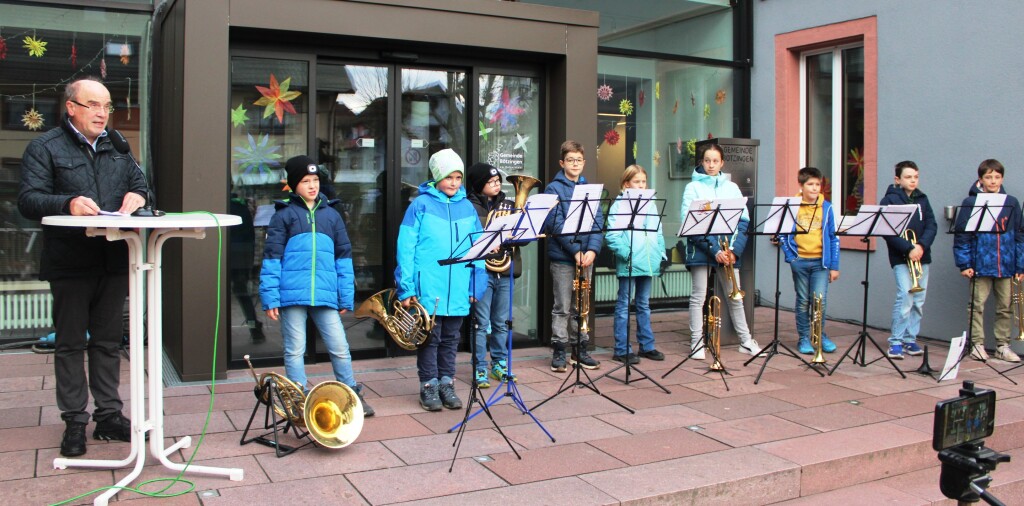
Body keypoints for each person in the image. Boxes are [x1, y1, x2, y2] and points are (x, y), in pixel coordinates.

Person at [18, 77, 149, 457]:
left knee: (109, 344)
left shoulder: (119, 148)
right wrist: (68, 204)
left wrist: (138, 196)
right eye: (93, 105)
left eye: (106, 106)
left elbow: (145, 188)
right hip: (70, 263)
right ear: (71, 107)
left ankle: (109, 417)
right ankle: (75, 421)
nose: (102, 113)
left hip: (113, 260)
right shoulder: (44, 146)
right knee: (71, 344)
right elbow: (28, 200)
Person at [260, 155, 374, 417]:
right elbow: (272, 258)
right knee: (295, 349)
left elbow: (343, 258)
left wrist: (346, 296)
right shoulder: (284, 216)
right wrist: (271, 297)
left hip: (324, 293)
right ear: (293, 185)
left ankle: (351, 392)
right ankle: (297, 397)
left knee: (339, 347)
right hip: (292, 296)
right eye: (305, 181)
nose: (312, 186)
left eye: (315, 180)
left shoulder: (332, 216)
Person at [396, 149, 485, 411]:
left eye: (458, 177)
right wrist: (407, 287)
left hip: (458, 285)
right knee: (429, 338)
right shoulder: (420, 205)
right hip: (429, 286)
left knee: (451, 338)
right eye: (449, 177)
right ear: (436, 178)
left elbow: (477, 247)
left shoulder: (467, 207)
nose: (454, 182)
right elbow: (406, 248)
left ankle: (447, 382)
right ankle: (428, 385)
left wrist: (475, 284)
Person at [681, 144, 762, 359]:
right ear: (702, 162)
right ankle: (697, 343)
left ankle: (745, 340)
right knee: (698, 296)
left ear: (722, 163)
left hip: (728, 251)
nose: (711, 165)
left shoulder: (732, 188)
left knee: (735, 297)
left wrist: (734, 251)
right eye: (707, 160)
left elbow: (743, 221)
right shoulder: (692, 188)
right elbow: (690, 223)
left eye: (715, 161)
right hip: (701, 249)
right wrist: (714, 249)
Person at [953, 159, 1024, 362]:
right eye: (988, 177)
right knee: (977, 305)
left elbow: (1020, 235)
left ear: (1002, 178)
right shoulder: (971, 203)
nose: (993, 181)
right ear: (981, 179)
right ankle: (976, 344)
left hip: (1007, 264)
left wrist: (1020, 264)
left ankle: (1002, 345)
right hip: (980, 263)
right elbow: (962, 235)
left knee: (1006, 306)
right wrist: (964, 263)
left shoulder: (1011, 202)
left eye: (997, 177)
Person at [544, 140, 603, 372]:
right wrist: (575, 251)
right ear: (562, 162)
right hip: (563, 258)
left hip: (586, 257)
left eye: (579, 160)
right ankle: (560, 351)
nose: (575, 163)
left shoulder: (590, 189)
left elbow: (598, 221)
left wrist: (592, 250)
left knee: (582, 306)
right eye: (570, 160)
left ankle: (580, 350)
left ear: (584, 162)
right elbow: (555, 224)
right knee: (562, 306)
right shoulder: (553, 188)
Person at [465, 162, 520, 388]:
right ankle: (479, 367)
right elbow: (468, 237)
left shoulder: (509, 204)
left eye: (498, 181)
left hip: (505, 271)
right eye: (491, 182)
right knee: (480, 322)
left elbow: (523, 239)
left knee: (501, 322)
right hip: (482, 271)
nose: (497, 185)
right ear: (479, 185)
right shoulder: (469, 206)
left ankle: (499, 363)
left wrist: (514, 232)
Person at [605, 165, 666, 364]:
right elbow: (612, 235)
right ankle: (621, 349)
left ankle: (646, 346)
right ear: (626, 184)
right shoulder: (619, 205)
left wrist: (661, 255)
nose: (641, 186)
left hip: (648, 261)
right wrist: (627, 254)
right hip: (630, 261)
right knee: (624, 305)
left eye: (643, 182)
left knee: (643, 304)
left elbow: (658, 232)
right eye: (636, 182)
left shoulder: (651, 204)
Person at [780, 166, 840, 355]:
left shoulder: (827, 207)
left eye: (818, 185)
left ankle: (819, 334)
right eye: (810, 184)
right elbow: (783, 234)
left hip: (820, 263)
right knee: (803, 301)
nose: (815, 188)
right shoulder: (793, 206)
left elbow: (833, 237)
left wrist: (834, 266)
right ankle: (804, 337)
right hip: (801, 261)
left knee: (819, 301)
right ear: (801, 185)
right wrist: (792, 258)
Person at [880, 161, 937, 359]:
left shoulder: (923, 198)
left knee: (918, 300)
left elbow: (932, 225)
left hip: (922, 255)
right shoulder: (889, 201)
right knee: (905, 296)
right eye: (908, 177)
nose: (913, 180)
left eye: (915, 177)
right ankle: (895, 341)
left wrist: (921, 246)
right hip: (901, 256)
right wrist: (908, 248)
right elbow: (887, 231)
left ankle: (910, 338)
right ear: (898, 179)